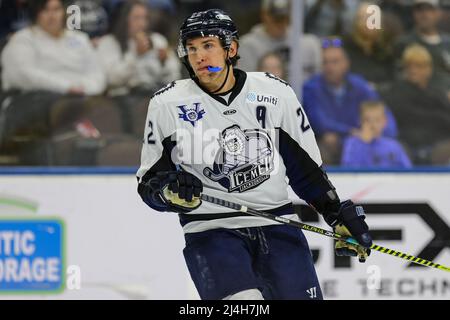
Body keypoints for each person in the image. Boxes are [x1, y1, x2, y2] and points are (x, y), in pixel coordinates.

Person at [136, 9, 372, 300]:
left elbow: (305, 171)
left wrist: (336, 213)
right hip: (212, 232)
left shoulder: (275, 93)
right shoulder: (167, 104)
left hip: (278, 226)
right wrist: (167, 190)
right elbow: (149, 183)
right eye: (192, 48)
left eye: (208, 46)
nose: (199, 56)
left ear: (231, 48)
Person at [302, 40, 398, 164]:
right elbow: (319, 122)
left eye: (335, 62)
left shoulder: (359, 85)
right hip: (334, 142)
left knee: (388, 145)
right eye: (325, 62)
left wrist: (379, 133)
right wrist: (351, 132)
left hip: (361, 139)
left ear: (346, 64)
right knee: (327, 142)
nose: (329, 67)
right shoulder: (311, 88)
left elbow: (382, 113)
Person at [380, 44, 450, 164]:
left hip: (438, 143)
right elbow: (408, 115)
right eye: (408, 66)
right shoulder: (396, 91)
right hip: (407, 144)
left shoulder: (438, 92)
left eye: (419, 66)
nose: (413, 70)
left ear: (429, 68)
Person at [238, 0, 321, 82]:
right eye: (276, 19)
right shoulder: (247, 46)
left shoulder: (308, 44)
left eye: (284, 18)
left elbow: (320, 82)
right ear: (264, 15)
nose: (281, 24)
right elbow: (244, 84)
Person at [395, 0, 450, 93]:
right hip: (419, 96)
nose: (424, 14)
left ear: (438, 13)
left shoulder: (447, 42)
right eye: (420, 10)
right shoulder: (404, 43)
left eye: (429, 9)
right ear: (414, 13)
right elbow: (398, 75)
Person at [341, 101, 412, 168]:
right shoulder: (352, 144)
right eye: (367, 120)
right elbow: (349, 171)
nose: (373, 124)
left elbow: (408, 172)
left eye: (377, 120)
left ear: (385, 121)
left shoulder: (394, 145)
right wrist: (365, 143)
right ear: (360, 121)